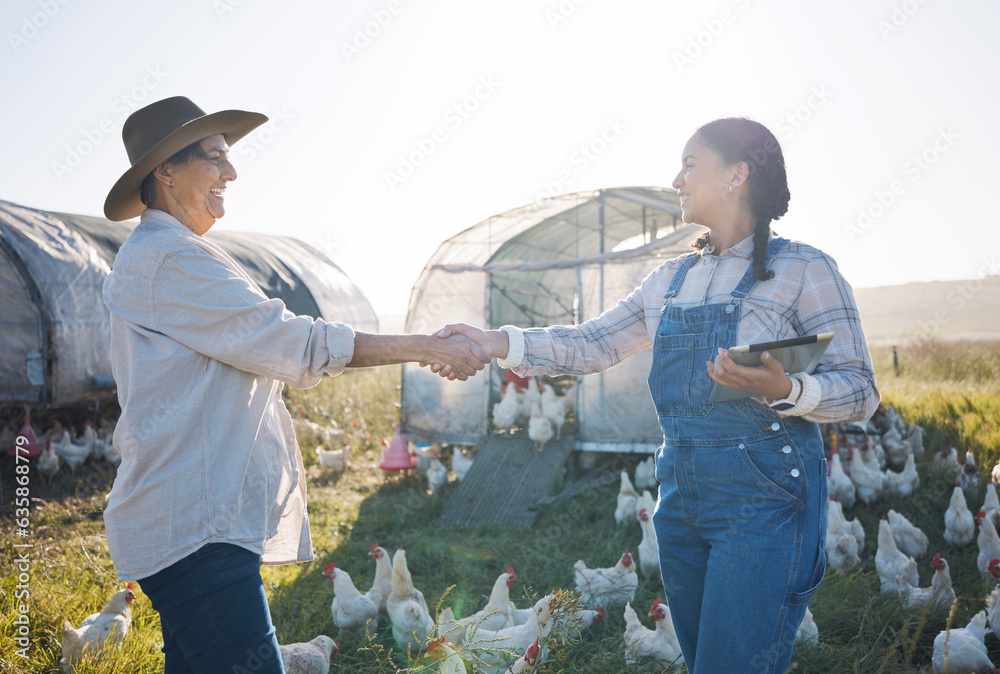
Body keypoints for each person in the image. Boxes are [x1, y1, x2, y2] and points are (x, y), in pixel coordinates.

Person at [432, 117, 880, 672]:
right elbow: (591, 343)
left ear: (737, 173)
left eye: (690, 165)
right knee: (701, 662)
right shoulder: (670, 279)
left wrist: (787, 387)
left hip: (762, 501)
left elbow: (861, 391)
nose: (676, 180)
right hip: (681, 498)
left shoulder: (804, 269)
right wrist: (494, 340)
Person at [101, 96, 490, 673]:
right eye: (213, 158)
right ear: (165, 170)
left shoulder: (170, 255)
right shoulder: (169, 261)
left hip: (190, 524)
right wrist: (426, 345)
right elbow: (297, 343)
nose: (231, 173)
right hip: (196, 533)